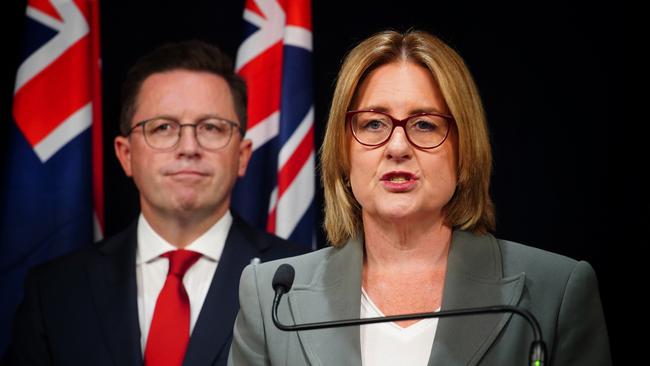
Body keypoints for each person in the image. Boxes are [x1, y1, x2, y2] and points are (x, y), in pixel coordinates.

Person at [228, 30, 612, 365]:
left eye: (424, 124)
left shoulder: (555, 293)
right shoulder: (272, 298)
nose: (397, 146)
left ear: (465, 149)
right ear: (343, 153)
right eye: (373, 123)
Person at [2, 40, 307, 366]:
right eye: (163, 127)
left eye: (212, 128)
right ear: (126, 155)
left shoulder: (305, 281)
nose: (188, 147)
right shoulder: (55, 291)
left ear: (242, 156)